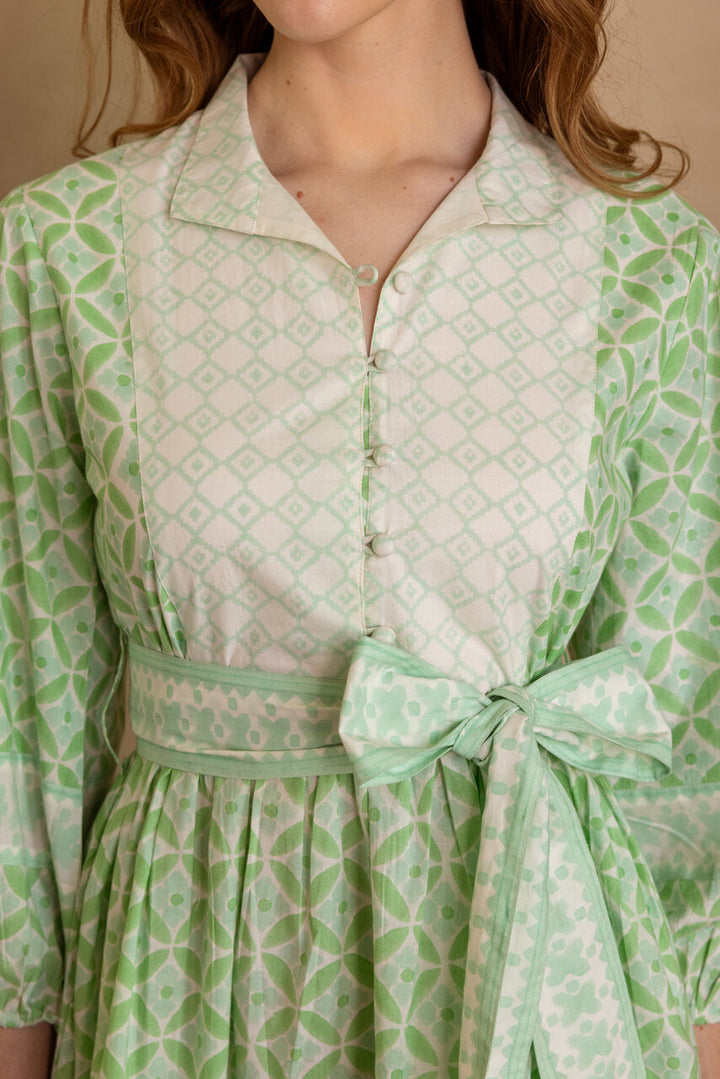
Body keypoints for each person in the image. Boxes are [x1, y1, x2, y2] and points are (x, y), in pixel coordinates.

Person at [1, 0, 718, 1076]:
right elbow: (24, 717)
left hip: (545, 980)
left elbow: (689, 732)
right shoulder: (74, 248)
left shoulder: (649, 264)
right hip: (187, 984)